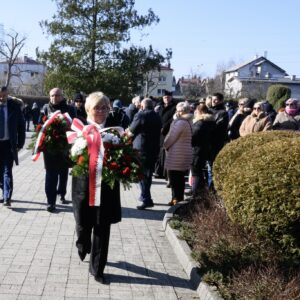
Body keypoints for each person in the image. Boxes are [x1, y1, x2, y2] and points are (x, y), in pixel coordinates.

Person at [71, 91, 121, 284]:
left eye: (104, 107)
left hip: (107, 188)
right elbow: (71, 158)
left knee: (102, 227)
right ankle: (82, 242)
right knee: (83, 223)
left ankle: (98, 269)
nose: (100, 110)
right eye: (96, 107)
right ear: (88, 109)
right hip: (83, 185)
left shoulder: (115, 131)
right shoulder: (80, 129)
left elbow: (123, 157)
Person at [40, 87, 76, 212]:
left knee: (63, 171)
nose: (54, 98)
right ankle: (51, 201)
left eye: (57, 95)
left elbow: (75, 126)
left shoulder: (70, 109)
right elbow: (39, 125)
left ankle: (62, 192)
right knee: (50, 174)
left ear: (62, 96)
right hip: (49, 148)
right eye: (52, 95)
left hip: (64, 147)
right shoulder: (45, 108)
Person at [127, 98, 162, 210]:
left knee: (142, 175)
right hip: (153, 149)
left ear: (142, 106)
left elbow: (132, 130)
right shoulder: (157, 116)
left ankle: (146, 199)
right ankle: (148, 198)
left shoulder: (140, 115)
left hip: (141, 149)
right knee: (148, 175)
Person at [0, 86, 26, 207]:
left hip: (8, 144)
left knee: (7, 170)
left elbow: (21, 126)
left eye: (4, 95)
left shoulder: (14, 107)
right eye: (0, 95)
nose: (1, 98)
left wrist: (20, 144)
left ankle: (7, 197)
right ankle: (4, 191)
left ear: (7, 94)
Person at [164, 102, 193, 206]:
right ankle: (175, 198)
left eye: (178, 110)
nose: (176, 112)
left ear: (182, 111)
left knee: (174, 177)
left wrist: (165, 145)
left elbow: (172, 136)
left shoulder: (181, 122)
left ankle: (177, 198)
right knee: (179, 177)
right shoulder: (188, 121)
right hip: (182, 152)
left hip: (177, 153)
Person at [191, 103, 215, 195]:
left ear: (199, 111)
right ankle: (201, 192)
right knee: (199, 171)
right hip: (206, 149)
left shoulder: (200, 123)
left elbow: (193, 136)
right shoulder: (211, 122)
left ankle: (196, 193)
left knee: (196, 172)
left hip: (197, 150)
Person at [207, 92, 229, 189]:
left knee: (212, 167)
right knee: (207, 167)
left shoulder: (223, 113)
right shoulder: (209, 111)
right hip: (207, 142)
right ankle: (208, 187)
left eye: (216, 100)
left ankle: (212, 188)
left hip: (216, 143)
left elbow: (219, 128)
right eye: (213, 100)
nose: (214, 102)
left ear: (220, 101)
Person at [153, 90, 177, 179]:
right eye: (165, 97)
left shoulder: (174, 107)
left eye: (168, 97)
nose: (166, 99)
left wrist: (164, 127)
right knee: (159, 153)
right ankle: (158, 172)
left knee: (166, 153)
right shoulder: (159, 107)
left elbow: (173, 119)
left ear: (171, 98)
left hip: (168, 132)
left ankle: (166, 174)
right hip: (159, 133)